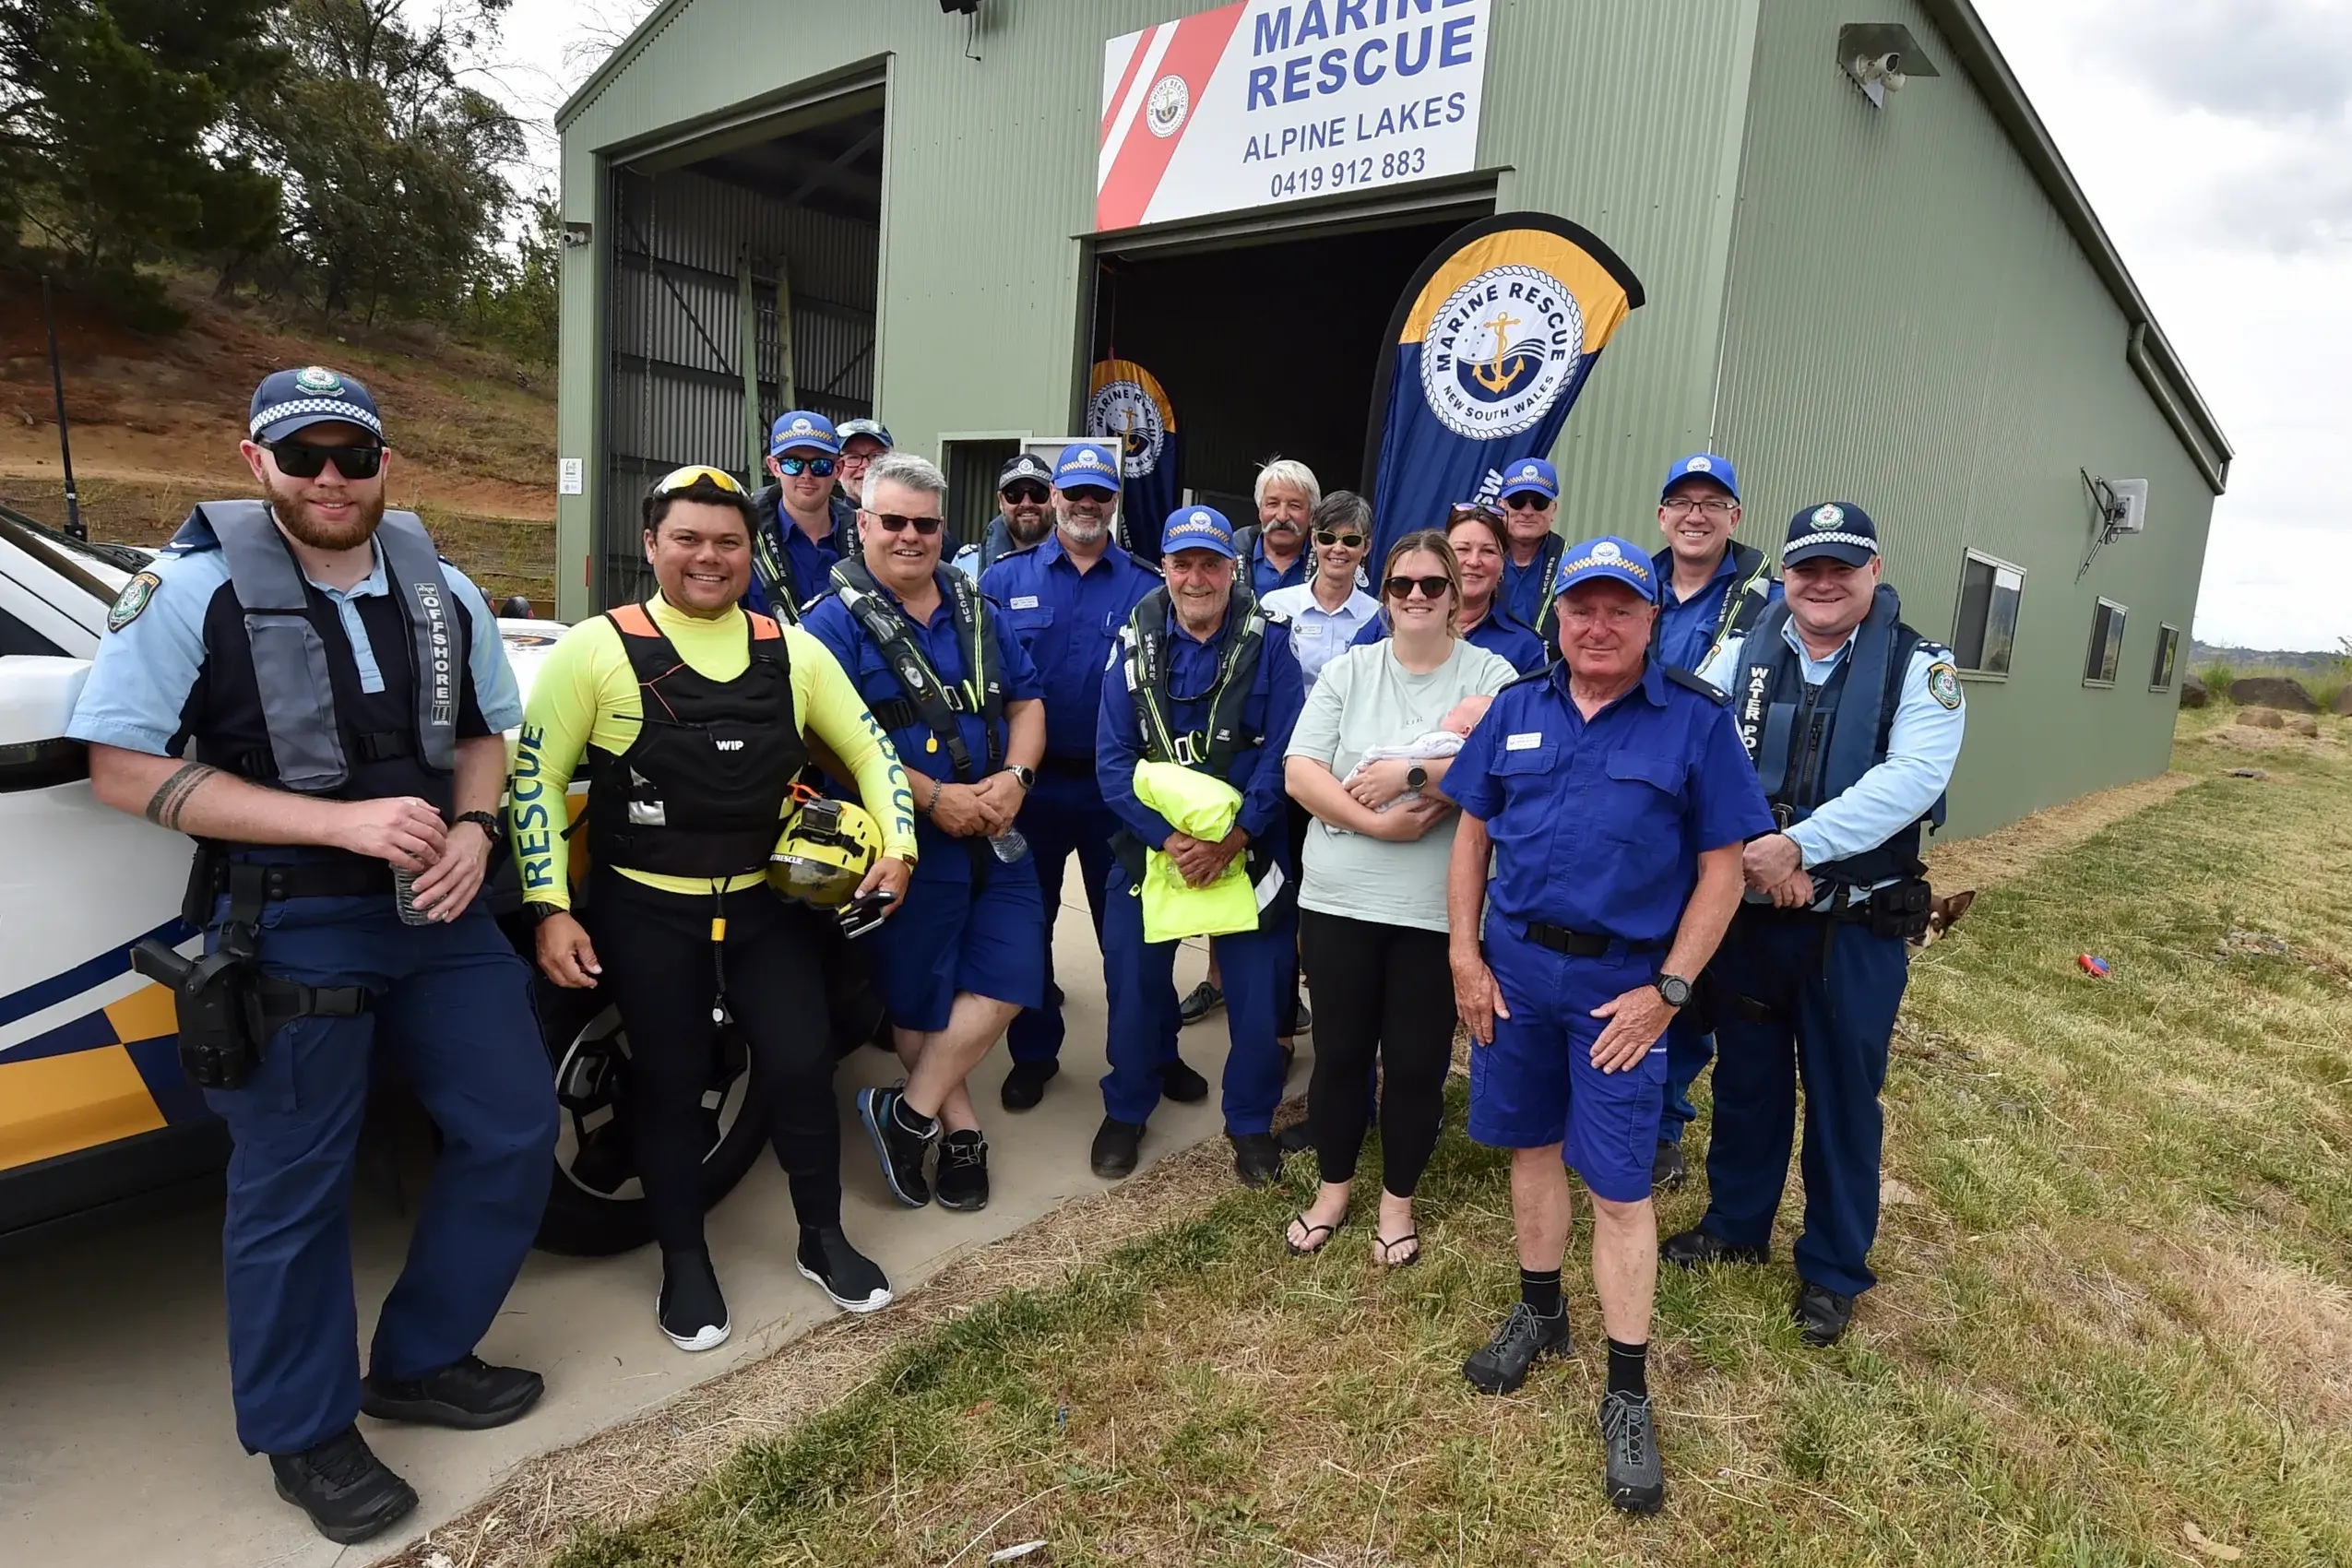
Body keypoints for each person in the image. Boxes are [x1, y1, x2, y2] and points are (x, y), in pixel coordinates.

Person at [65, 367, 558, 1545]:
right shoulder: (190, 591)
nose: (330, 478)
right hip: (291, 917)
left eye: (353, 455)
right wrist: (337, 823)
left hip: (440, 910)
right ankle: (306, 1431)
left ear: (387, 463)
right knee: (292, 1186)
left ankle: (422, 1358)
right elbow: (120, 767)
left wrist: (476, 828)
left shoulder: (444, 589)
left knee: (513, 1127)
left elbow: (484, 734)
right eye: (303, 456)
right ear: (256, 462)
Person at [512, 465, 920, 1352]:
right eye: (687, 539)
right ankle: (684, 1260)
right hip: (648, 914)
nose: (709, 557)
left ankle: (822, 1236)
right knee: (667, 1086)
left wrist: (900, 848)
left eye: (728, 541)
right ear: (651, 545)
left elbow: (871, 751)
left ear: (749, 551)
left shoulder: (791, 648)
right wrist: (549, 905)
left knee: (801, 1068)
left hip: (767, 911)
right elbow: (535, 779)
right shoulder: (595, 649)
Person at [1443, 535, 1772, 1515]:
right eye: (1581, 607)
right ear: (1558, 616)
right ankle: (1541, 1312)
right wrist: (1464, 955)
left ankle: (1627, 1389)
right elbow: (1471, 833)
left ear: (1649, 619)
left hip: (1620, 990)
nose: (1597, 625)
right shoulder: (1515, 708)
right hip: (1515, 974)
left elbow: (1723, 870)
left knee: (1621, 1186)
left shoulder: (1696, 723)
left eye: (1619, 609)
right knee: (1531, 1147)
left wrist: (1668, 990)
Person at [1663, 504, 1965, 1350]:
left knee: (1842, 1098)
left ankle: (1833, 1268)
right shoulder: (1740, 652)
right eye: (1807, 569)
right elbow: (1694, 743)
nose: (1823, 584)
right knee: (1746, 1080)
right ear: (1785, 576)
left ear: (1874, 572)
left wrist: (1798, 847)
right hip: (1753, 921)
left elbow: (1912, 778)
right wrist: (1756, 855)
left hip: (1853, 927)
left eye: (1842, 568)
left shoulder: (1921, 668)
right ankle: (1734, 1226)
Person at [802, 453, 1048, 1214]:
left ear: (944, 529)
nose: (911, 537)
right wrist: (932, 797)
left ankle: (905, 1114)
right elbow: (823, 740)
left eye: (926, 524)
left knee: (1015, 976)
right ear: (863, 524)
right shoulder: (829, 624)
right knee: (920, 1001)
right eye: (894, 522)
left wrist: (1017, 778)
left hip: (996, 828)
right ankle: (961, 1133)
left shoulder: (978, 609)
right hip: (901, 843)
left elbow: (1026, 702)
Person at [1281, 530, 1516, 1265]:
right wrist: (1379, 823)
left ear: (1456, 595)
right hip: (1339, 901)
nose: (1416, 595)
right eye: (1401, 584)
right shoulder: (1350, 670)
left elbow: (1501, 771)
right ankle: (1333, 1190)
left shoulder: (1492, 674)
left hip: (1433, 911)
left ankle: (1397, 1202)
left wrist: (1411, 777)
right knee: (1340, 1056)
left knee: (1415, 1064)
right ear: (1383, 596)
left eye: (1432, 584)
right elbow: (1301, 772)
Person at [1092, 505, 1305, 1186]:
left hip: (1250, 848)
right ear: (1165, 568)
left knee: (1260, 996)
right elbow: (1112, 762)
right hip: (1152, 847)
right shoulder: (1132, 644)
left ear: (1230, 569)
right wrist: (1169, 838)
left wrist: (1235, 837)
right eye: (1182, 564)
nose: (1196, 578)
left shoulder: (1270, 643)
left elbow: (1285, 752)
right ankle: (1128, 1106)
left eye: (1210, 564)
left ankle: (1250, 1121)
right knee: (1131, 983)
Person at [980, 445, 1166, 1111]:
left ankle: (1151, 1054)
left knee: (1132, 937)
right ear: (1056, 495)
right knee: (1028, 928)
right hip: (1029, 791)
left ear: (1114, 502)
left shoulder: (1147, 586)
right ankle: (1033, 1054)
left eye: (1100, 494)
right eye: (1075, 492)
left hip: (1116, 792)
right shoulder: (1003, 581)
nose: (1087, 504)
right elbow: (985, 685)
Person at [1646, 452, 1779, 1191]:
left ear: (1736, 517)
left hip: (1715, 799)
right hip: (1640, 795)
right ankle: (1611, 1091)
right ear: (1662, 515)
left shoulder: (1766, 600)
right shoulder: (1633, 583)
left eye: (1712, 503)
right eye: (1683, 502)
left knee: (1696, 966)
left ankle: (1664, 1123)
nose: (1696, 515)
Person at [1352, 503, 1548, 674]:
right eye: (1462, 549)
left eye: (1488, 551)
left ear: (1503, 563)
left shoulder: (1525, 647)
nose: (1473, 561)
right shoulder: (1389, 619)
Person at [1259, 491, 1382, 688]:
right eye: (1327, 538)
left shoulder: (1378, 616)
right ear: (1314, 540)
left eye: (1350, 540)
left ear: (1366, 547)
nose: (1338, 548)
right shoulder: (1274, 605)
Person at [748, 410, 855, 623]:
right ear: (774, 467)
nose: (806, 475)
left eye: (820, 465)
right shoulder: (746, 538)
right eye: (792, 464)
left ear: (838, 469)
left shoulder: (866, 539)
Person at [951, 451, 1056, 579]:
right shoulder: (968, 565)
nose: (1026, 503)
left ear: (1054, 497)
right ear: (1001, 501)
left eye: (1038, 494)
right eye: (1014, 494)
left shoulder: (1076, 562)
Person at [1495, 457, 1564, 635]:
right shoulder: (1475, 559)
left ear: (1553, 509)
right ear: (1501, 506)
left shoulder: (1570, 565)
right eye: (1517, 501)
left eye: (1539, 503)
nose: (1527, 512)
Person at [1234, 457, 1319, 596]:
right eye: (1273, 504)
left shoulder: (1329, 562)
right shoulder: (1229, 556)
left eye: (1294, 506)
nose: (1282, 516)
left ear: (1311, 515)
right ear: (1260, 510)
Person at [835, 417, 893, 518]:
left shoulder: (915, 515)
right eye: (853, 457)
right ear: (837, 468)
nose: (866, 465)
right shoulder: (826, 522)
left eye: (876, 456)